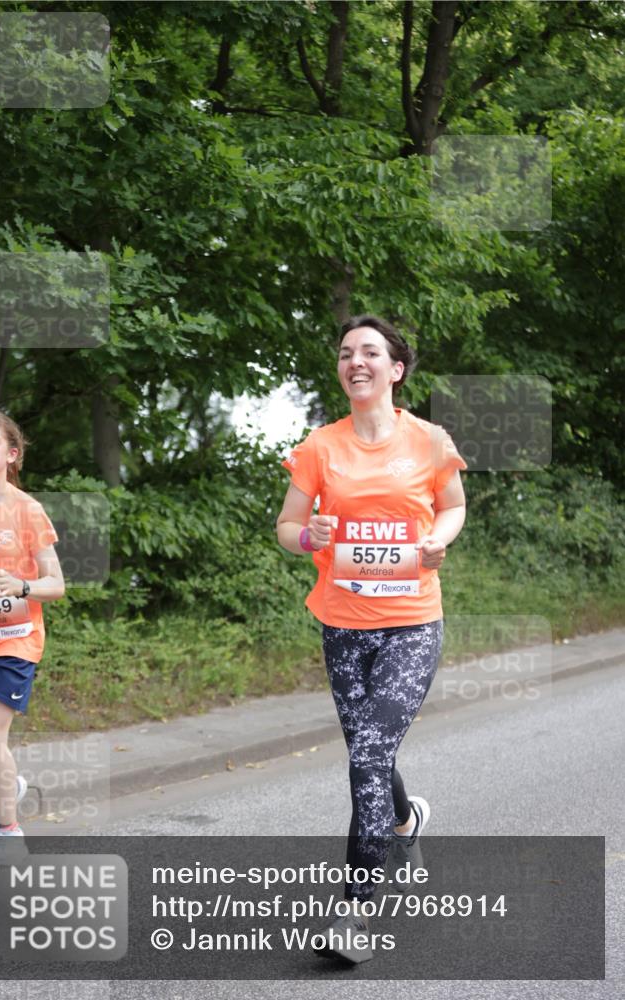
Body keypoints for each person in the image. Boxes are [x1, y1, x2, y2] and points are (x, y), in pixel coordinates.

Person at [276, 315, 467, 963]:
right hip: (342, 626)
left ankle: (354, 914)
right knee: (369, 751)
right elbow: (287, 525)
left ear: (395, 369)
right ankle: (406, 821)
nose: (354, 360)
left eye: (369, 352)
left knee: (364, 760)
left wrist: (436, 540)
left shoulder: (429, 441)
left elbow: (452, 505)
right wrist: (310, 538)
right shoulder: (319, 447)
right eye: (344, 353)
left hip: (412, 623)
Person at [0, 408, 65, 867]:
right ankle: (9, 788)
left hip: (16, 638)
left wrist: (21, 587)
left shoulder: (27, 509)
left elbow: (55, 584)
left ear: (11, 453)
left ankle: (9, 830)